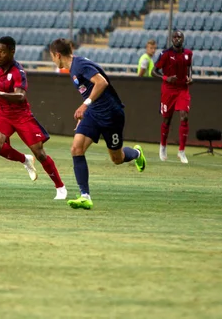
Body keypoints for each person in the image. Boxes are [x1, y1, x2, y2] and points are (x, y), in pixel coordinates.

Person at [0, 36, 67, 200]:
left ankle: (60, 187)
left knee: (40, 153)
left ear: (12, 52)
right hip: (2, 116)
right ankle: (25, 160)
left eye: (2, 52)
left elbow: (20, 96)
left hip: (22, 116)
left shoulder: (18, 72)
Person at [49, 38, 146, 210]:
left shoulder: (79, 65)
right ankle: (85, 196)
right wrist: (85, 113)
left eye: (52, 57)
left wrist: (85, 104)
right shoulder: (73, 68)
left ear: (57, 55)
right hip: (94, 113)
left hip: (111, 115)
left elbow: (102, 82)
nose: (52, 60)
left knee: (117, 158)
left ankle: (137, 154)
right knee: (76, 149)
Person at [151, 30, 193, 164]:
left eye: (179, 37)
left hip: (182, 89)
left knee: (184, 116)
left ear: (183, 39)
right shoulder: (165, 54)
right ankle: (163, 146)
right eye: (175, 37)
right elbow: (153, 71)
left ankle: (181, 151)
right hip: (168, 90)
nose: (177, 39)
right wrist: (166, 78)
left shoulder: (188, 54)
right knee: (167, 119)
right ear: (171, 39)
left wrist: (190, 77)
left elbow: (189, 67)